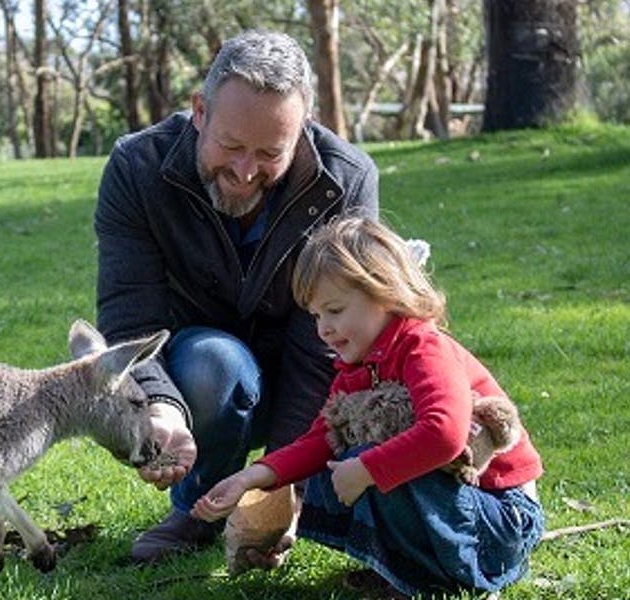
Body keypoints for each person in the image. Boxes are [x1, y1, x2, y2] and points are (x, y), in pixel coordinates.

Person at [93, 30, 379, 564]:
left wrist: (280, 482)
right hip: (200, 372)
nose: (246, 172)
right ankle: (197, 507)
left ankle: (282, 507)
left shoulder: (345, 180)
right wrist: (161, 405)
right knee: (216, 365)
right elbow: (129, 313)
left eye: (271, 152)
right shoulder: (137, 168)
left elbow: (326, 345)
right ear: (200, 110)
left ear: (303, 130)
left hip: (307, 376)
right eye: (231, 145)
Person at [191, 217, 545, 597]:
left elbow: (445, 435)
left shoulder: (422, 347)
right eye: (316, 315)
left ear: (385, 294)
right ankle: (402, 567)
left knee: (367, 460)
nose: (323, 329)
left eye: (335, 310)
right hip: (459, 508)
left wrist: (366, 469)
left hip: (500, 519)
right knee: (330, 467)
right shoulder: (357, 366)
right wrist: (250, 478)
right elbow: (320, 441)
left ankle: (432, 574)